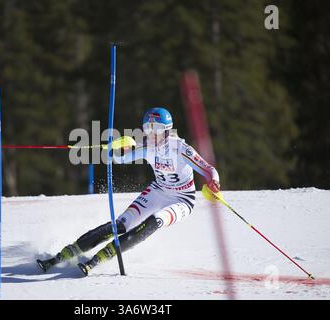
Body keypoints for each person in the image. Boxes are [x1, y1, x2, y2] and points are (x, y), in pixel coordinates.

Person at [37, 107, 220, 276]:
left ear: (166, 130)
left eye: (155, 129)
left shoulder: (181, 149)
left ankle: (99, 259)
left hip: (182, 200)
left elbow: (209, 169)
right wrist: (115, 150)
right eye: (148, 129)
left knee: (153, 222)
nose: (151, 134)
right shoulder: (147, 146)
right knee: (121, 225)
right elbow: (121, 159)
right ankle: (63, 255)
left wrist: (214, 182)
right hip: (157, 191)